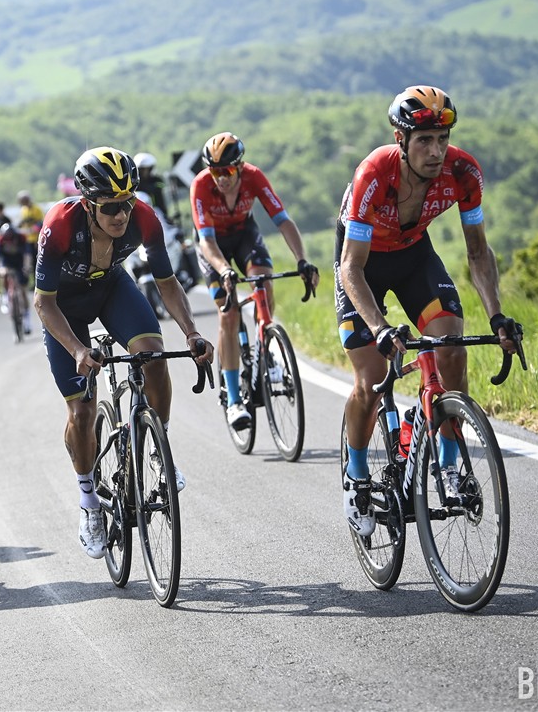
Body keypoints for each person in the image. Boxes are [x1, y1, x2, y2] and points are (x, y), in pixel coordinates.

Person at [336, 86, 518, 537]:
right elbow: (350, 268)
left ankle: (449, 465)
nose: (436, 151)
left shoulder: (463, 171)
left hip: (415, 256)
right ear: (400, 139)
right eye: (424, 141)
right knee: (370, 380)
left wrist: (496, 316)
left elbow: (478, 253)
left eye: (442, 139)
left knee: (452, 349)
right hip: (362, 264)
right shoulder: (373, 174)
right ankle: (357, 476)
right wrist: (379, 327)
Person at [32, 147, 212, 559]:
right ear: (87, 203)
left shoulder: (144, 217)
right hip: (64, 309)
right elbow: (43, 303)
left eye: (127, 202)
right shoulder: (59, 224)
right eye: (111, 206)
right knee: (81, 412)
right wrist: (78, 349)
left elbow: (167, 283)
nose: (121, 215)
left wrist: (191, 332)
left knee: (155, 359)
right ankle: (89, 502)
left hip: (111, 290)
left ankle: (157, 448)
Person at [190, 131, 319, 430]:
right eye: (215, 172)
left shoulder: (254, 177)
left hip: (243, 235)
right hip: (213, 245)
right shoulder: (201, 185)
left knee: (263, 282)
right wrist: (224, 270)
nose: (221, 178)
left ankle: (266, 346)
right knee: (229, 314)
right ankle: (234, 400)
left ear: (240, 167)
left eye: (227, 171)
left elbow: (283, 220)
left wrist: (302, 259)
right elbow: (206, 241)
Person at [0, 218, 32, 334]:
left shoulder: (21, 238)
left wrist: (27, 267)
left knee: (23, 290)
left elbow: (27, 256)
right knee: (3, 274)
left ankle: (27, 319)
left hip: (19, 263)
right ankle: (5, 296)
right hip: (7, 263)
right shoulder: (0, 240)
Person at [17, 191, 44, 285]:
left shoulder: (36, 209)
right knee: (30, 262)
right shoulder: (23, 210)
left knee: (38, 261)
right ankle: (33, 282)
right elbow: (22, 223)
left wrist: (34, 229)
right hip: (28, 239)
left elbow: (41, 223)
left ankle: (39, 281)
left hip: (37, 239)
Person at [133, 152, 170, 219]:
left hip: (156, 210)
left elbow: (160, 187)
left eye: (147, 169)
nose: (144, 172)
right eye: (142, 169)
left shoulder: (157, 180)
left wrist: (165, 215)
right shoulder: (133, 181)